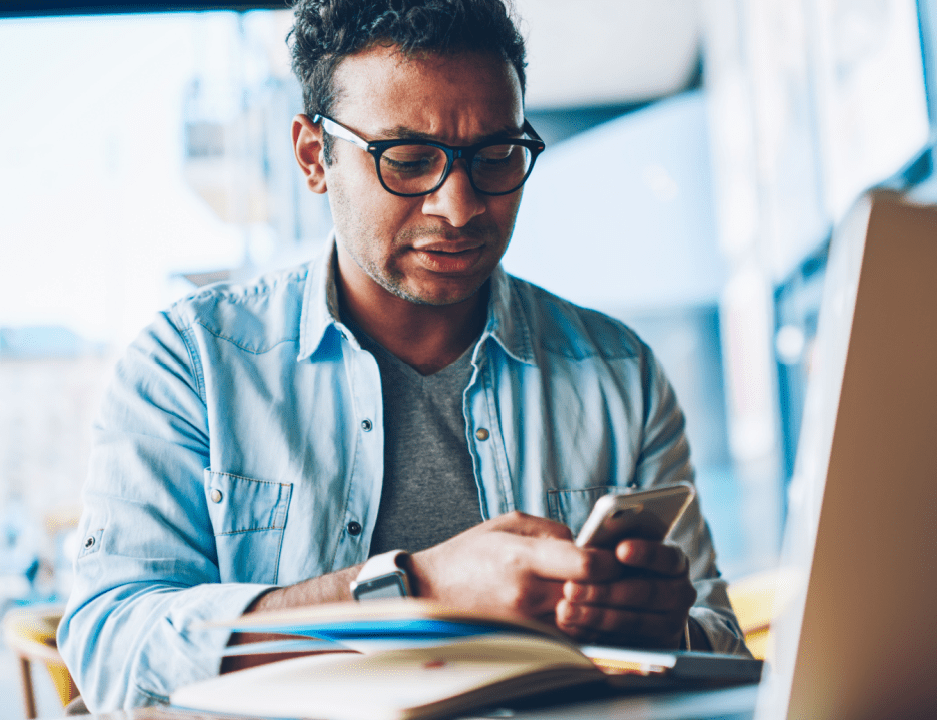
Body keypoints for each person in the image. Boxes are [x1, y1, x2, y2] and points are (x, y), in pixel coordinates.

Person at [58, 0, 748, 711]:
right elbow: (112, 647)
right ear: (312, 157)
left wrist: (667, 631)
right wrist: (414, 591)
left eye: (497, 156)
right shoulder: (191, 364)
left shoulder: (617, 374)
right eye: (409, 160)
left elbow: (722, 644)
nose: (459, 206)